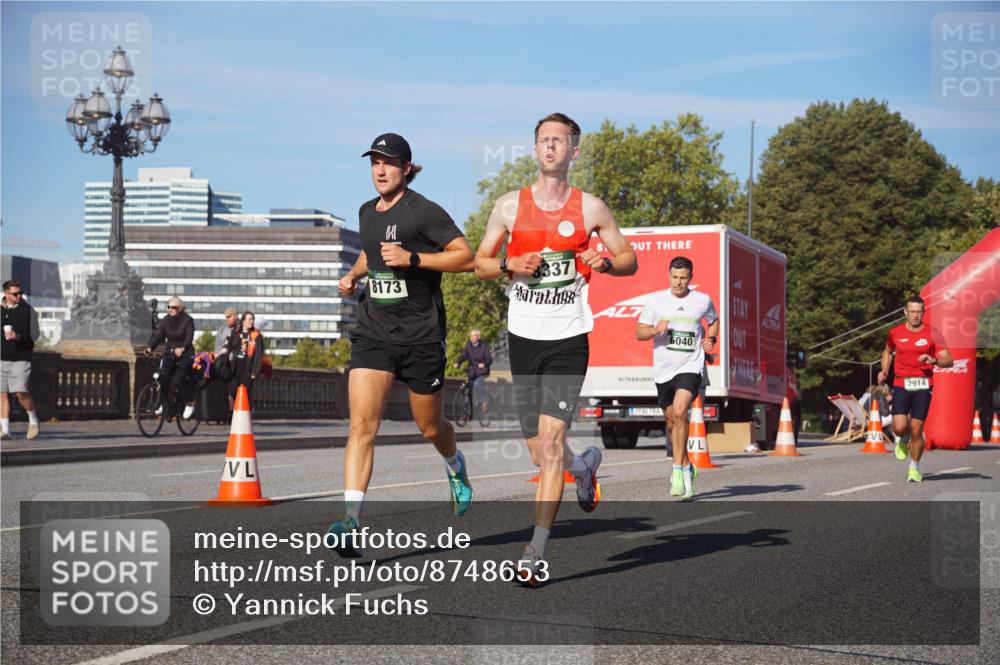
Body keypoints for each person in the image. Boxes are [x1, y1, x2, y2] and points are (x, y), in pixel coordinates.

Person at [473, 112, 637, 586]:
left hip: (568, 340)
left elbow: (629, 259)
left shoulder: (591, 209)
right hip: (523, 340)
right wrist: (509, 262)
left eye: (559, 141)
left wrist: (603, 261)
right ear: (535, 148)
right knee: (538, 452)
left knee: (548, 445)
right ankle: (583, 468)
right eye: (544, 140)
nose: (550, 147)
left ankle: (534, 552)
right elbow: (479, 263)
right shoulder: (508, 207)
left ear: (574, 152)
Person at [329, 132, 476, 557]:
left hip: (421, 337)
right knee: (361, 427)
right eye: (374, 161)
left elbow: (465, 257)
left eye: (389, 162)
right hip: (374, 330)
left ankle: (454, 464)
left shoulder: (424, 212)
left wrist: (414, 259)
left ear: (407, 168)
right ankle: (351, 522)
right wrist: (355, 275)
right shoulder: (366, 212)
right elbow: (371, 253)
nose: (380, 169)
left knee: (430, 426)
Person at [636, 257, 719, 501]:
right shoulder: (655, 301)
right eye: (674, 277)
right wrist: (654, 330)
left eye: (683, 278)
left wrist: (710, 340)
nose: (678, 282)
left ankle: (678, 470)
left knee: (682, 412)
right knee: (671, 421)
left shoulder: (702, 300)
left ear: (690, 277)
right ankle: (688, 464)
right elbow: (639, 332)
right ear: (669, 275)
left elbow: (713, 321)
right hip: (664, 370)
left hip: (691, 366)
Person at [877, 295, 953, 482]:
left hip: (923, 384)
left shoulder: (933, 333)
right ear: (905, 312)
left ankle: (914, 467)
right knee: (900, 427)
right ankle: (901, 439)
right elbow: (887, 351)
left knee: (917, 428)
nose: (915, 316)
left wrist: (933, 360)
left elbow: (949, 360)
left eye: (919, 312)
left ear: (923, 313)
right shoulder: (895, 333)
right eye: (912, 312)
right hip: (901, 383)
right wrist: (884, 370)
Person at [144, 296, 196, 420]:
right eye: (169, 307)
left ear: (180, 308)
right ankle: (165, 405)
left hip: (185, 354)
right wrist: (150, 347)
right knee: (163, 379)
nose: (171, 309)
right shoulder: (165, 320)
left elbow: (189, 337)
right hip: (170, 353)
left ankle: (189, 403)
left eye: (174, 307)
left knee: (177, 382)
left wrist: (182, 348)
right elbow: (158, 335)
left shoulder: (188, 320)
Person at [1, 280, 40, 440]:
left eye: (20, 293)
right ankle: (5, 430)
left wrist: (17, 336)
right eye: (15, 294)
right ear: (6, 294)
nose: (19, 296)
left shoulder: (28, 311)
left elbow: (35, 335)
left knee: (20, 393)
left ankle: (33, 420)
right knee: (1, 394)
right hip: (1, 357)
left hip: (21, 357)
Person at [225, 311, 266, 409]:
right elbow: (228, 344)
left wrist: (255, 372)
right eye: (249, 319)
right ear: (243, 320)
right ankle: (232, 415)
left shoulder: (256, 335)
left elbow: (258, 355)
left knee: (245, 394)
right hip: (235, 367)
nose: (251, 322)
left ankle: (245, 415)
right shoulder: (236, 332)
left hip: (247, 368)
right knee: (231, 392)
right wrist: (224, 350)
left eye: (252, 319)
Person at [454, 329, 492, 414]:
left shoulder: (484, 346)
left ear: (478, 337)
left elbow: (489, 360)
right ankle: (469, 411)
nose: (472, 338)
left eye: (474, 336)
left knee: (477, 384)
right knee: (469, 387)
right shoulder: (469, 345)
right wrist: (458, 362)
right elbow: (463, 355)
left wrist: (484, 364)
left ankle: (484, 400)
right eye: (471, 336)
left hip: (482, 372)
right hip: (473, 371)